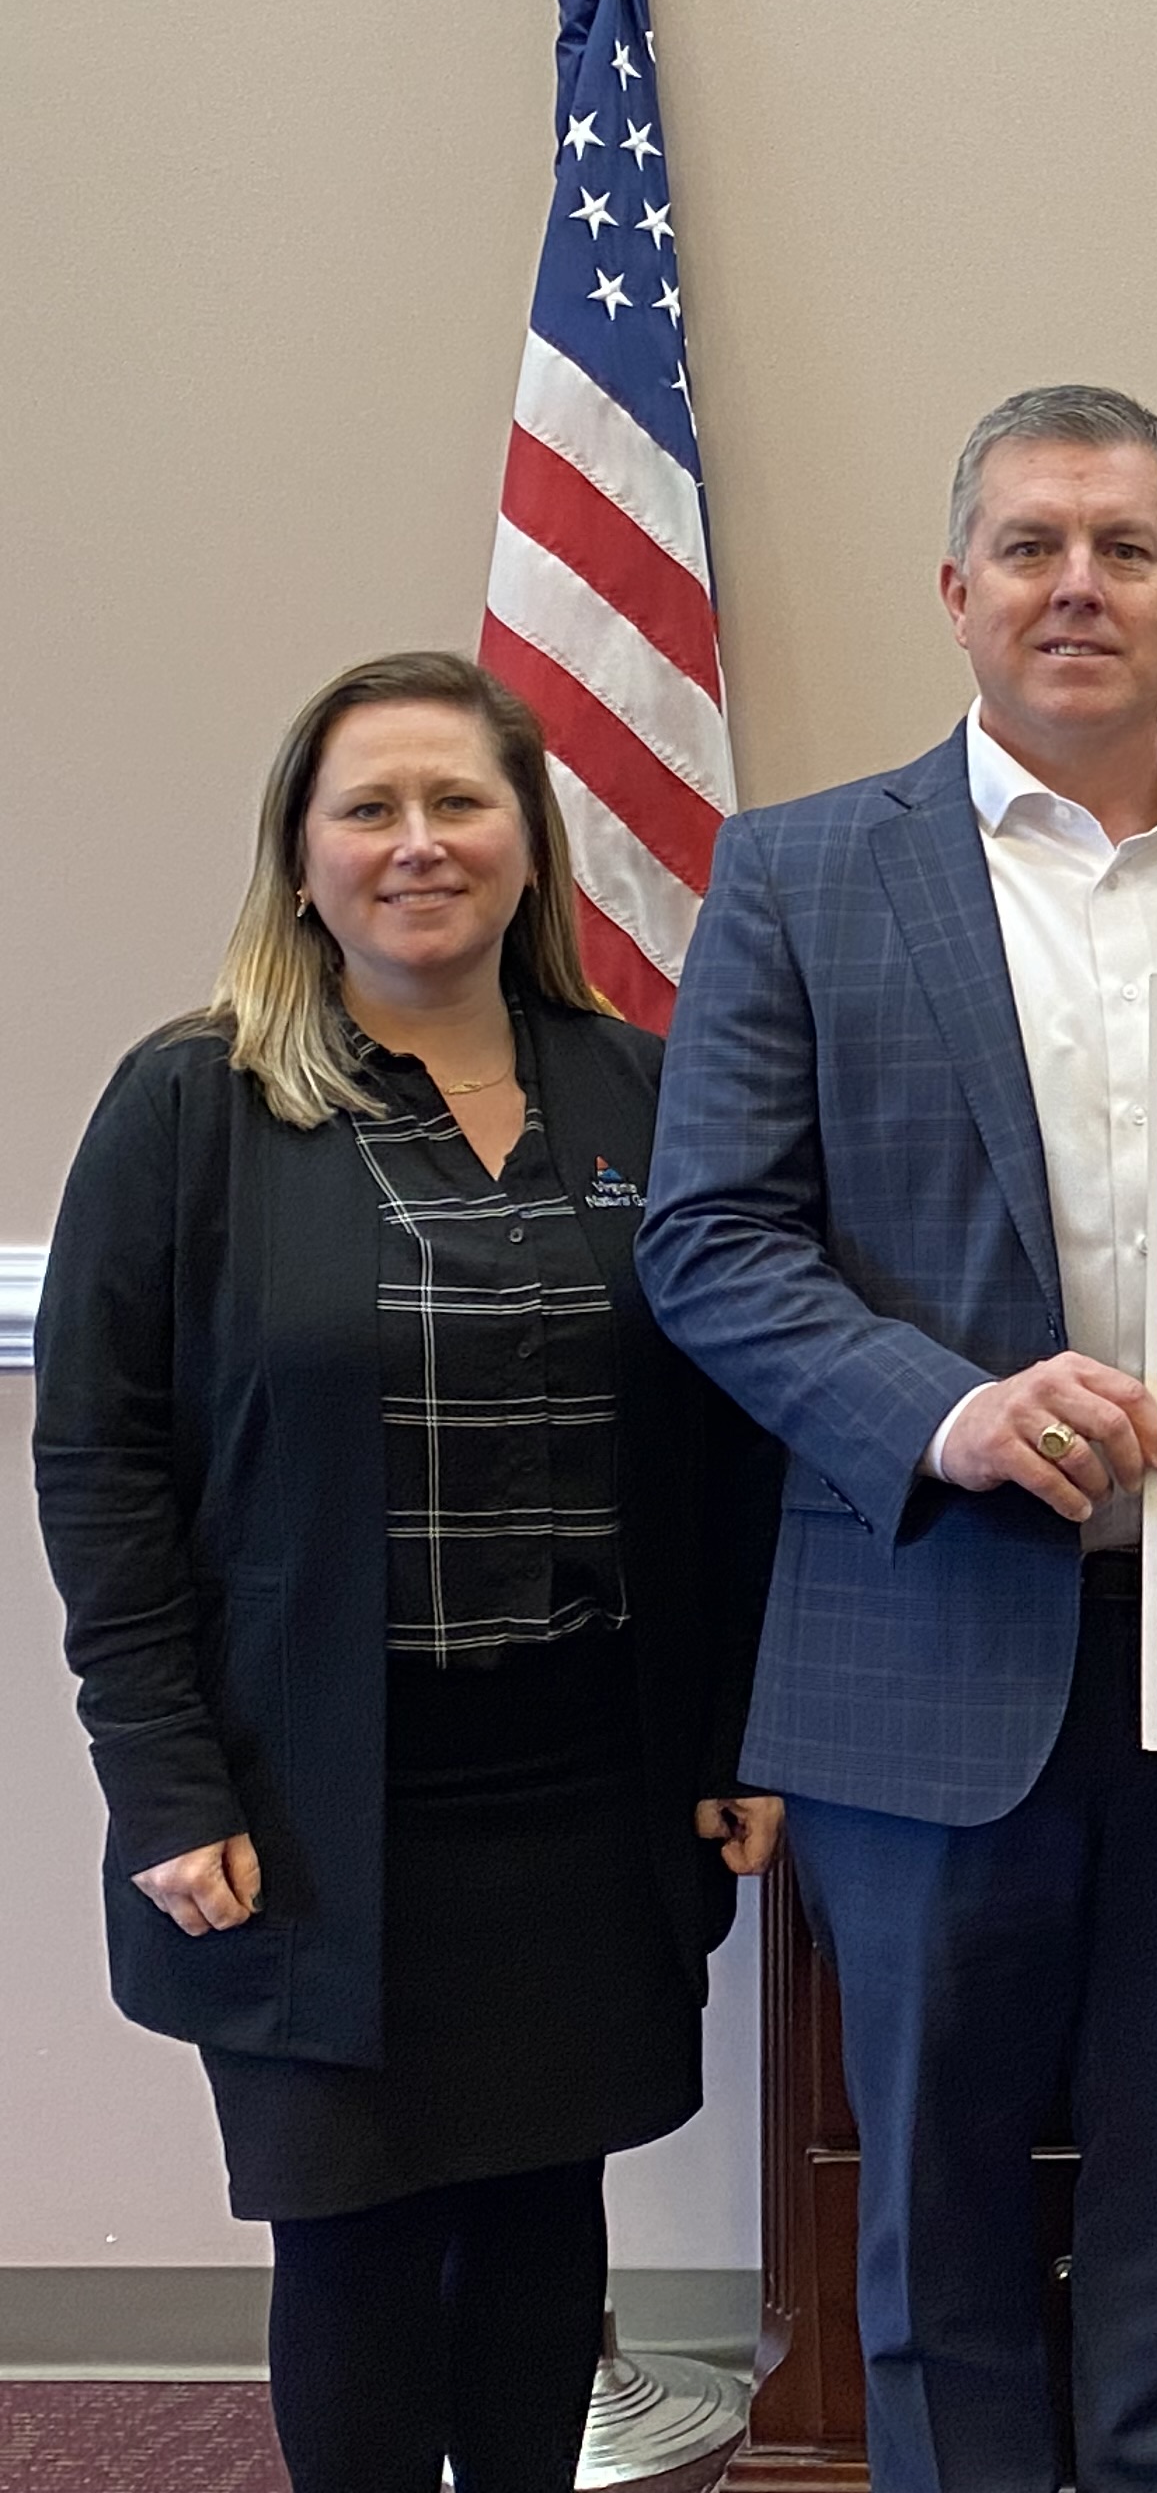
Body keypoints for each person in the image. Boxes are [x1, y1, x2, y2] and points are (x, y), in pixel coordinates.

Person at [639, 386, 1157, 2493]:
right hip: (919, 1640)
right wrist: (955, 1412)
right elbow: (708, 1244)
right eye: (1036, 546)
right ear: (958, 588)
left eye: (1126, 549)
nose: (1081, 587)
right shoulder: (803, 872)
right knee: (942, 2198)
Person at [31, 652, 782, 2493]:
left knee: (542, 2223)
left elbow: (720, 1457)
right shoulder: (190, 1106)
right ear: (300, 858)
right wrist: (164, 1777)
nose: (418, 843)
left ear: (531, 845)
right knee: (351, 2241)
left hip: (583, 1789)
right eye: (370, 809)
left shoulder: (640, 1089)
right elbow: (99, 1468)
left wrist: (737, 1735)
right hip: (307, 1800)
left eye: (462, 803)